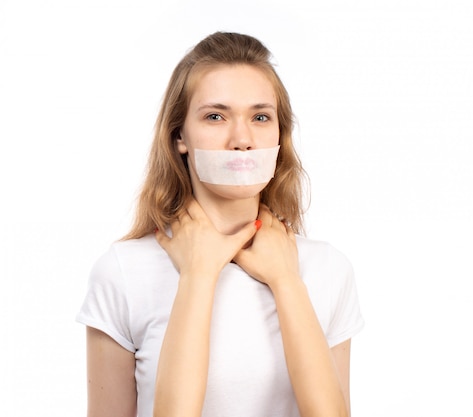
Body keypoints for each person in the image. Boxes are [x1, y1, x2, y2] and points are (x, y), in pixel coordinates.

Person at [76, 31, 364, 417]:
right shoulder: (123, 272)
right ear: (180, 136)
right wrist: (198, 274)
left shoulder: (327, 269)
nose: (242, 139)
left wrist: (286, 282)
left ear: (280, 135)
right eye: (216, 116)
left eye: (261, 117)